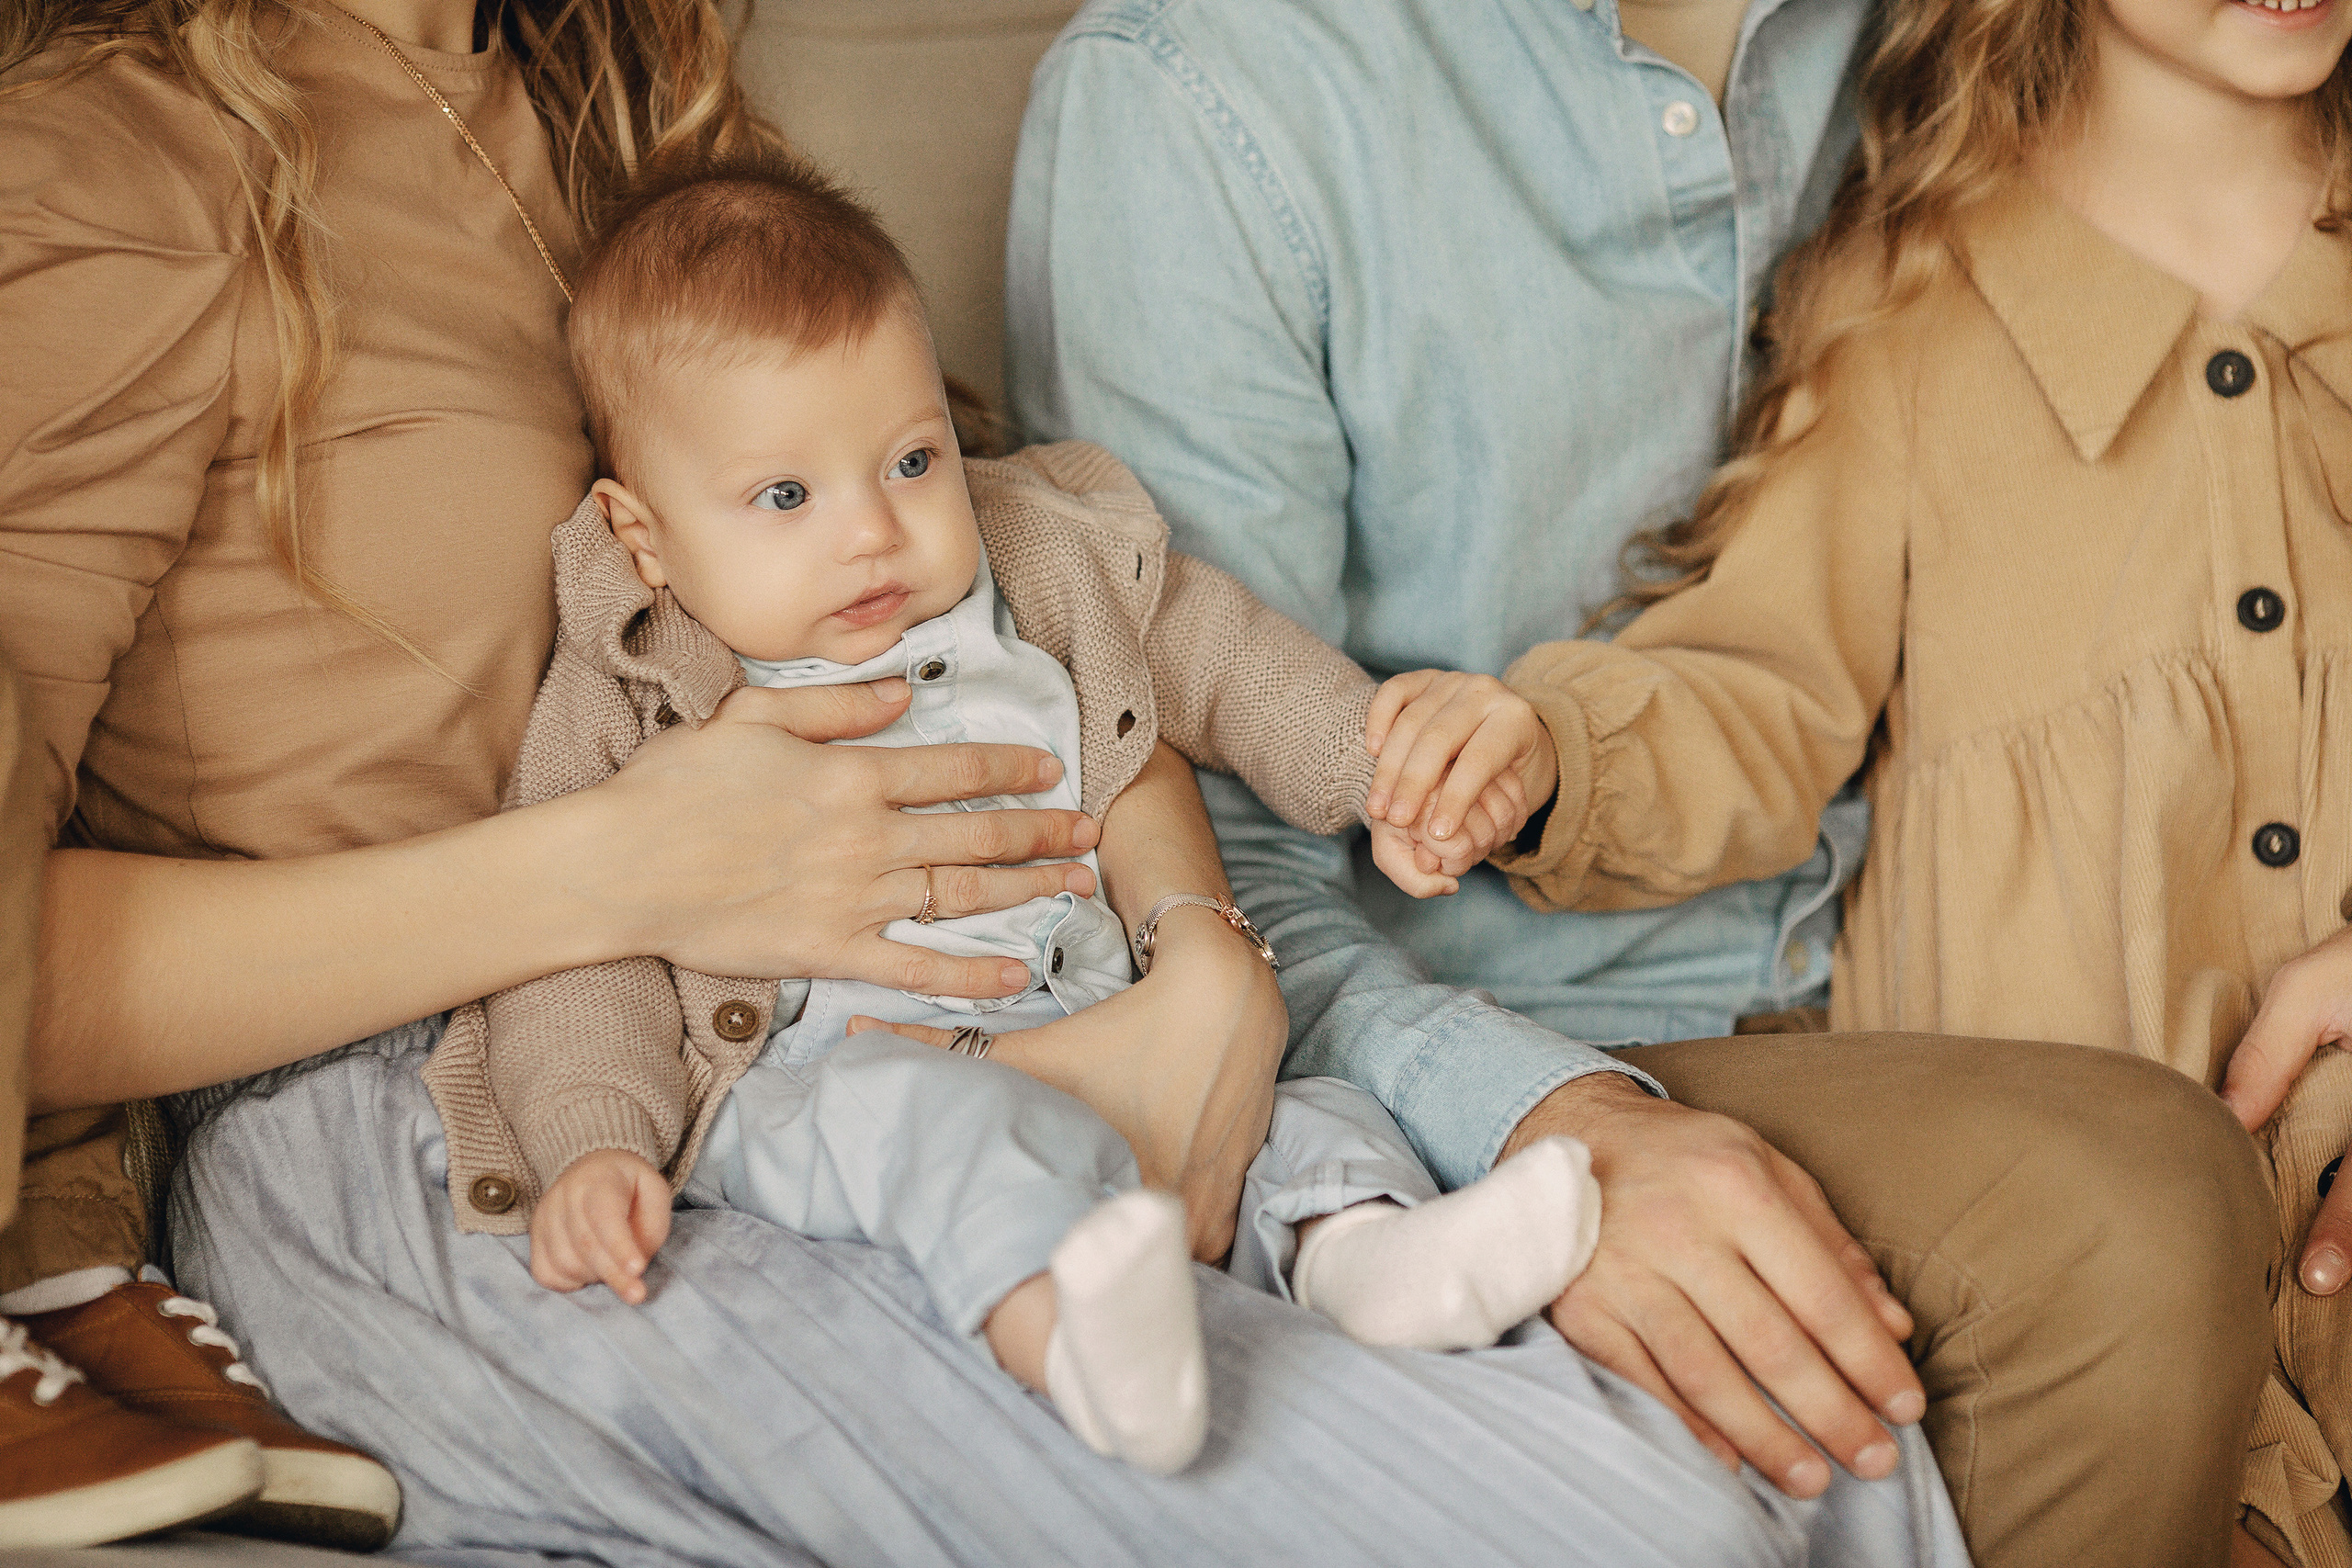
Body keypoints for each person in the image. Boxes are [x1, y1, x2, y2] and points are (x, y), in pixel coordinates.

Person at [0, 0, 1979, 1560]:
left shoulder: (638, 119)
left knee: (1822, 1444)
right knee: (1633, 1524)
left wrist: (1200, 961)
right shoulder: (109, 169)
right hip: (484, 1115)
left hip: (993, 998)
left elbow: (1038, 602)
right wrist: (614, 869)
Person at [1006, 1, 2278, 1564]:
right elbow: (1204, 867)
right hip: (1522, 1035)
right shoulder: (1205, 93)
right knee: (2133, 1215)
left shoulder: (2000, 35)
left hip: (1996, 957)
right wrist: (1556, 1119)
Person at [475, 152, 1602, 1473]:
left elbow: (1223, 657)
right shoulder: (632, 673)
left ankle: (1367, 1256)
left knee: (1311, 1102)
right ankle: (1069, 1335)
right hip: (830, 1070)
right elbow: (570, 950)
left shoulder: (1038, 556)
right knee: (928, 1140)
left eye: (910, 460)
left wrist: (1383, 771)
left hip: (1103, 1019)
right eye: (786, 496)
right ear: (645, 533)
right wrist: (594, 1146)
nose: (872, 535)